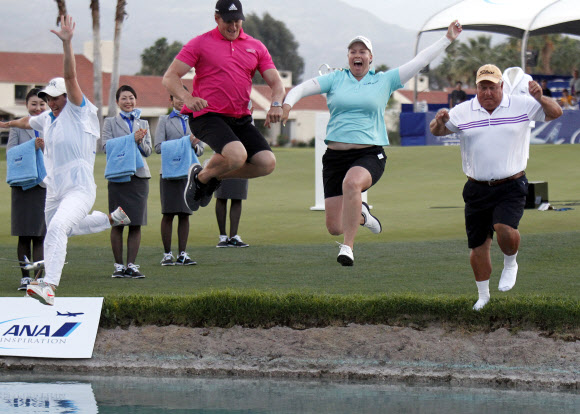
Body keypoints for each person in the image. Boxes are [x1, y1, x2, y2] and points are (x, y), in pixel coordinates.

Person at [282, 21, 462, 266]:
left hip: (369, 155)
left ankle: (348, 248)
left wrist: (447, 39)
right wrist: (286, 105)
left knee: (352, 183)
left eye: (362, 51)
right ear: (348, 57)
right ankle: (362, 216)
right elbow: (301, 89)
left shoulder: (384, 81)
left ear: (370, 57)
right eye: (353, 51)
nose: (358, 55)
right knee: (334, 226)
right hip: (334, 157)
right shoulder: (335, 79)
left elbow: (419, 61)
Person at [0, 15, 130, 306]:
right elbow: (27, 120)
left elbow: (71, 78)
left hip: (80, 189)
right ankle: (112, 218)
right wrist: (5, 125)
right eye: (49, 97)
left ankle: (49, 287)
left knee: (58, 229)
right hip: (53, 190)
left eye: (56, 97)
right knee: (66, 229)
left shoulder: (77, 110)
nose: (52, 101)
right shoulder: (48, 118)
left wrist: (68, 43)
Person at [429, 64, 562, 311]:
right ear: (476, 88)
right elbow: (436, 131)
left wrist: (540, 98)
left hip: (511, 183)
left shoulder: (521, 104)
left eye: (492, 87)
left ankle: (511, 263)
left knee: (504, 227)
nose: (487, 92)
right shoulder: (463, 110)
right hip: (476, 187)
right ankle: (483, 296)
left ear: (501, 86)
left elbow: (556, 113)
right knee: (478, 246)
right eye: (482, 87)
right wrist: (439, 121)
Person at [162, 0, 285, 213]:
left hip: (240, 118)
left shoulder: (256, 46)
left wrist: (276, 104)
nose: (233, 26)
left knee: (267, 163)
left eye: (237, 20)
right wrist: (187, 97)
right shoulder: (200, 43)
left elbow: (276, 83)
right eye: (228, 21)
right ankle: (205, 176)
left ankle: (207, 175)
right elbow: (170, 77)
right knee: (237, 156)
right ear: (217, 18)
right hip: (207, 116)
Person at [102, 85, 152, 278]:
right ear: (117, 102)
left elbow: (148, 151)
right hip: (118, 177)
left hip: (139, 177)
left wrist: (139, 142)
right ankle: (118, 266)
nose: (128, 101)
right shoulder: (110, 122)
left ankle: (131, 265)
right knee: (118, 222)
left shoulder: (143, 123)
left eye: (131, 98)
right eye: (124, 98)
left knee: (135, 223)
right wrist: (131, 138)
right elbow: (105, 146)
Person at [154, 90, 204, 265]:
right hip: (169, 172)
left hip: (188, 173)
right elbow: (158, 147)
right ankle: (167, 255)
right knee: (168, 214)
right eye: (177, 98)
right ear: (171, 100)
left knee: (185, 214)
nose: (181, 101)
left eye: (184, 97)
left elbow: (201, 148)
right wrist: (184, 142)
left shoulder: (195, 120)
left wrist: (194, 145)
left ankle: (182, 254)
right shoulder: (163, 121)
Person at [6, 88, 47, 291]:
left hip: (45, 186)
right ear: (27, 105)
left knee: (40, 235)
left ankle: (38, 278)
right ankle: (25, 277)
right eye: (34, 104)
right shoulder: (18, 126)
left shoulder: (52, 125)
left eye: (42, 104)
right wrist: (33, 146)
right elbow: (10, 152)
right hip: (23, 185)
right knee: (24, 234)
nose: (38, 108)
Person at [215, 179, 250, 247]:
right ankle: (223, 237)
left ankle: (233, 237)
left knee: (238, 197)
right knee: (221, 196)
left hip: (240, 169)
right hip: (221, 169)